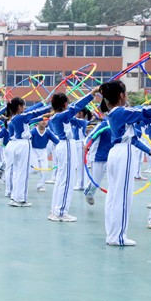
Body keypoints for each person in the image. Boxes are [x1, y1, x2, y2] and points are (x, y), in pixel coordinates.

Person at [99, 81, 151, 246]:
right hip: (123, 153)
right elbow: (147, 110)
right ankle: (118, 237)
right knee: (122, 197)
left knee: (114, 196)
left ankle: (113, 235)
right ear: (121, 95)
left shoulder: (112, 112)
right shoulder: (121, 112)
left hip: (117, 152)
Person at [47, 91, 95, 221]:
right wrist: (92, 93)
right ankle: (61, 212)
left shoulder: (59, 116)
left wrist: (89, 124)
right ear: (64, 104)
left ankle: (55, 210)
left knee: (61, 179)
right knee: (67, 180)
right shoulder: (60, 116)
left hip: (65, 146)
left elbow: (78, 121)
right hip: (66, 146)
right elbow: (76, 107)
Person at [29, 121, 59, 194]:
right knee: (35, 169)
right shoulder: (33, 131)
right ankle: (27, 169)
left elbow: (56, 141)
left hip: (43, 151)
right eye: (42, 120)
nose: (44, 122)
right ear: (37, 122)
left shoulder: (48, 132)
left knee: (45, 169)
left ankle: (41, 185)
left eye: (45, 120)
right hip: (34, 151)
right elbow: (28, 141)